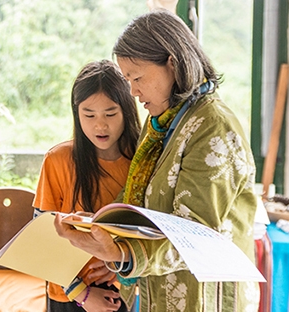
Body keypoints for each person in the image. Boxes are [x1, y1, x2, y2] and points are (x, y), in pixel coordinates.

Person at [55, 9, 260, 312]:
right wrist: (97, 226)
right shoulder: (161, 123)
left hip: (203, 298)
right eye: (128, 80)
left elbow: (196, 234)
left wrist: (123, 253)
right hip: (161, 293)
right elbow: (140, 203)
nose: (133, 92)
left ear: (173, 64)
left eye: (137, 78)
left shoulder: (212, 126)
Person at [33, 59, 141, 311]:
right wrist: (81, 293)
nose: (99, 125)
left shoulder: (141, 162)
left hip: (121, 293)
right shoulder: (58, 160)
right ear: (76, 112)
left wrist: (119, 267)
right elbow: (39, 242)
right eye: (89, 114)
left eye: (110, 114)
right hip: (69, 295)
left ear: (127, 109)